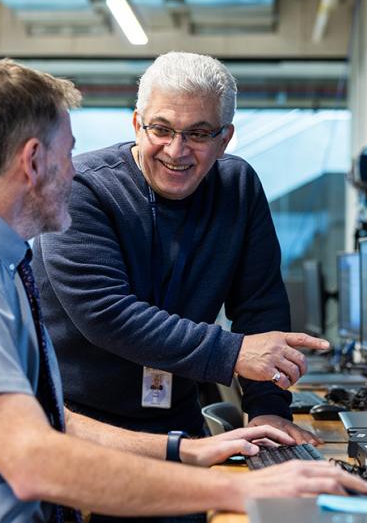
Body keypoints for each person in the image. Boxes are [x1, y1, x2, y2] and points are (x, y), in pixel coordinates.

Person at [0, 59, 367, 522]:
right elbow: (34, 460)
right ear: (34, 161)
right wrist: (240, 489)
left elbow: (54, 424)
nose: (78, 169)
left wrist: (184, 452)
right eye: (69, 152)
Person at [33, 51, 323, 447]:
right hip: (82, 427)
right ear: (138, 125)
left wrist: (268, 408)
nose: (176, 150)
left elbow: (260, 306)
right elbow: (106, 313)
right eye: (162, 129)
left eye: (199, 134)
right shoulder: (82, 189)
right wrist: (233, 352)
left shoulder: (237, 187)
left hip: (177, 421)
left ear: (225, 138)